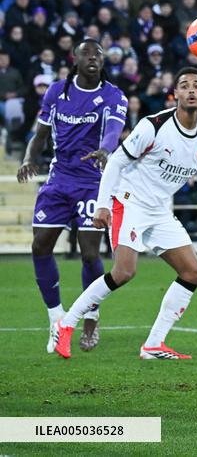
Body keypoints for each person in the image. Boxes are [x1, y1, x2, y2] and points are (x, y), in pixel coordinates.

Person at [51, 67, 197, 359]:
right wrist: (103, 204)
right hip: (129, 202)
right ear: (175, 95)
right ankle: (67, 323)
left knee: (193, 272)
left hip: (159, 210)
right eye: (183, 85)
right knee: (124, 271)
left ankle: (152, 345)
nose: (190, 90)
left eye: (196, 85)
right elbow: (116, 163)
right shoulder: (155, 125)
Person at [18, 40, 128, 353]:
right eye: (87, 53)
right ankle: (56, 318)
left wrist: (106, 150)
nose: (93, 58)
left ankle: (92, 315)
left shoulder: (113, 95)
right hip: (58, 180)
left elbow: (113, 130)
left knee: (90, 253)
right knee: (40, 245)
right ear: (75, 58)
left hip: (93, 182)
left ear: (103, 62)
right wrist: (29, 159)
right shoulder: (56, 92)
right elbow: (39, 134)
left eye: (99, 54)